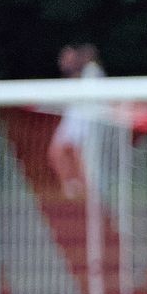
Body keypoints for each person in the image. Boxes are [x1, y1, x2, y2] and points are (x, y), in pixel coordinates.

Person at [47, 44, 104, 200]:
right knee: (59, 153)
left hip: (83, 121)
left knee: (79, 157)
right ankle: (72, 186)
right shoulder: (80, 76)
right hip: (74, 119)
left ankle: (88, 191)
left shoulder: (91, 72)